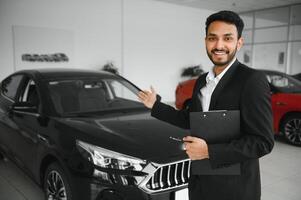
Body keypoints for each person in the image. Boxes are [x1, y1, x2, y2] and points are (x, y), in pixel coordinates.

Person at [138, 10, 274, 200]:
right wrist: (155, 106)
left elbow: (262, 142)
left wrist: (209, 151)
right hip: (200, 182)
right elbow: (191, 118)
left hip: (233, 189)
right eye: (213, 38)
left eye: (227, 38)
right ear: (205, 41)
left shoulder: (251, 80)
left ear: (239, 42)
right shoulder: (202, 81)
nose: (219, 45)